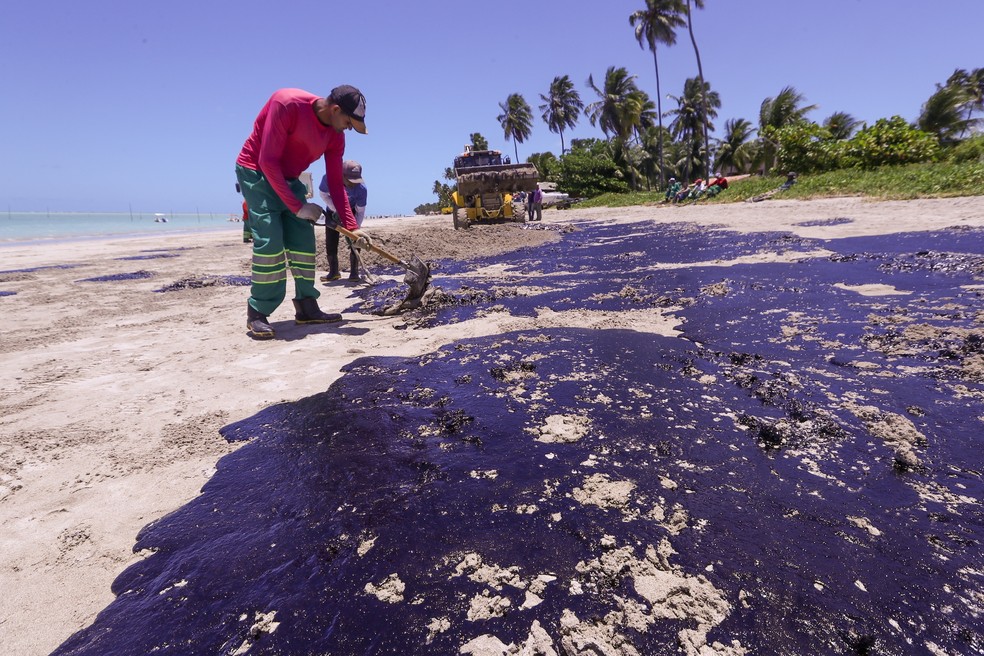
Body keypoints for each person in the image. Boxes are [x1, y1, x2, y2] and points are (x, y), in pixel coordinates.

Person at [235, 85, 372, 339]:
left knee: (303, 241)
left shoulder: (335, 136)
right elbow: (267, 161)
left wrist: (353, 228)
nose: (349, 128)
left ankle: (307, 306)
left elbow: (335, 183)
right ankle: (257, 313)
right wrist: (298, 207)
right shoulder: (287, 104)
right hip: (256, 171)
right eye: (348, 122)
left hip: (288, 177)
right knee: (271, 242)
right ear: (335, 109)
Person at [319, 160, 367, 281]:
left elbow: (360, 211)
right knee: (331, 241)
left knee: (356, 240)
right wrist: (337, 211)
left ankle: (354, 273)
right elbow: (323, 195)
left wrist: (355, 229)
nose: (353, 184)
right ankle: (334, 272)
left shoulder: (361, 189)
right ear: (342, 175)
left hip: (352, 212)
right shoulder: (328, 179)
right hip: (332, 209)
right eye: (350, 180)